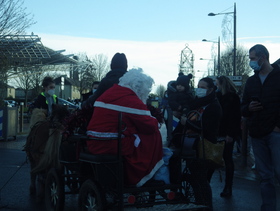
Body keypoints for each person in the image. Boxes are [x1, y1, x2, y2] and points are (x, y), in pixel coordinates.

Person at [86, 69, 164, 187]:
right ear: (140, 88)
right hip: (111, 143)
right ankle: (142, 174)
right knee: (152, 136)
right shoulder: (128, 98)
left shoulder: (111, 92)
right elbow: (150, 124)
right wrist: (158, 124)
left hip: (94, 141)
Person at [170, 77, 222, 210]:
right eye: (198, 86)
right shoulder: (196, 103)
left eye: (203, 87)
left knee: (201, 180)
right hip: (191, 145)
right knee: (195, 178)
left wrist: (186, 122)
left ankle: (206, 206)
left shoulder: (214, 106)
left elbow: (206, 127)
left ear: (211, 90)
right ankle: (198, 203)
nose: (199, 89)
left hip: (204, 146)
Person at [241, 44, 280, 211]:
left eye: (252, 58)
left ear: (263, 57)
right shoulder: (251, 81)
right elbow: (242, 106)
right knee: (265, 177)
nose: (251, 62)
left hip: (275, 133)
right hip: (257, 133)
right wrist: (248, 108)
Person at [210, 75, 241, 197]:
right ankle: (208, 185)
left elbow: (235, 117)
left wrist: (231, 134)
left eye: (217, 84)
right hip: (217, 132)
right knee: (213, 158)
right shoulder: (216, 97)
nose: (216, 86)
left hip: (227, 133)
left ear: (222, 84)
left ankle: (228, 187)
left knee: (227, 158)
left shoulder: (233, 98)